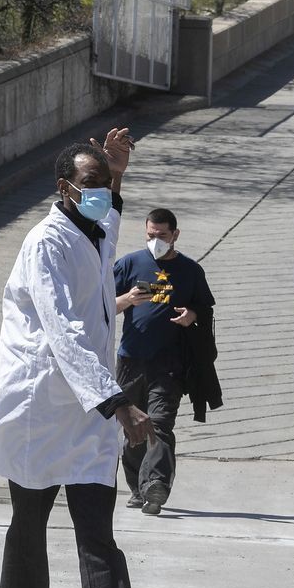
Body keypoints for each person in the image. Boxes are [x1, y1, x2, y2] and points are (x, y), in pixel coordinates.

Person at [0, 130, 161, 588]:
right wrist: (120, 404)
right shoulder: (45, 242)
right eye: (92, 185)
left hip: (86, 410)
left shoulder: (92, 229)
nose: (100, 194)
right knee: (29, 532)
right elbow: (65, 332)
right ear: (64, 188)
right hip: (43, 409)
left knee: (99, 536)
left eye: (103, 185)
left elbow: (109, 226)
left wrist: (117, 175)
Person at [113, 207, 215, 515]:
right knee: (133, 427)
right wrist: (127, 299)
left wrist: (192, 315)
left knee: (159, 424)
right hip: (130, 360)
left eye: (162, 236)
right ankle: (136, 486)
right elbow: (102, 306)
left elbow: (204, 308)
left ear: (175, 235)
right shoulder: (130, 264)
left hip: (169, 364)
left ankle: (155, 484)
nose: (156, 241)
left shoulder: (190, 271)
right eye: (150, 235)